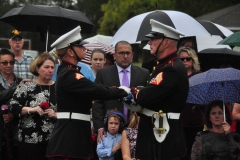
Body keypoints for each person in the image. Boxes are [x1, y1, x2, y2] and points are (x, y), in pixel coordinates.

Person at [45, 26, 129, 160]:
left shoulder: (68, 72)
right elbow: (96, 90)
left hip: (75, 132)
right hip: (70, 136)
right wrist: (122, 91)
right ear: (70, 52)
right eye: (80, 46)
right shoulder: (70, 74)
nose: (85, 49)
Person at [128, 19, 189, 160]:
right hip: (155, 131)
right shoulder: (163, 66)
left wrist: (132, 90)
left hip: (163, 134)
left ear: (166, 42)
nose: (149, 42)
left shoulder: (171, 68)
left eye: (153, 38)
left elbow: (145, 96)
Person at [92, 40, 149, 142]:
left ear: (132, 55)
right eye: (121, 53)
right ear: (114, 55)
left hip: (136, 129)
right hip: (110, 130)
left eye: (128, 53)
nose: (125, 56)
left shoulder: (143, 74)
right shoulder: (103, 74)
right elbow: (97, 102)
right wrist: (99, 127)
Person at [9, 53, 57, 160]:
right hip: (29, 139)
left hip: (53, 140)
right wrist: (31, 110)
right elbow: (13, 106)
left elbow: (67, 110)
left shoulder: (58, 88)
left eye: (52, 67)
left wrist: (56, 114)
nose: (50, 70)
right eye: (46, 67)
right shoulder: (26, 86)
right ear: (37, 69)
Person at [177, 47, 204, 160]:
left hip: (195, 120)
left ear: (193, 60)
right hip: (177, 120)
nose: (185, 61)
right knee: (179, 152)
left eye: (188, 59)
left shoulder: (200, 76)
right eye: (182, 59)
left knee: (194, 153)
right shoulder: (175, 76)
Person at [0, 48, 23, 160]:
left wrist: (13, 114)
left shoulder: (20, 81)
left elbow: (25, 104)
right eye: (4, 62)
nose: (8, 65)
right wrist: (16, 89)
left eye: (11, 62)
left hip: (17, 134)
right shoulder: (19, 85)